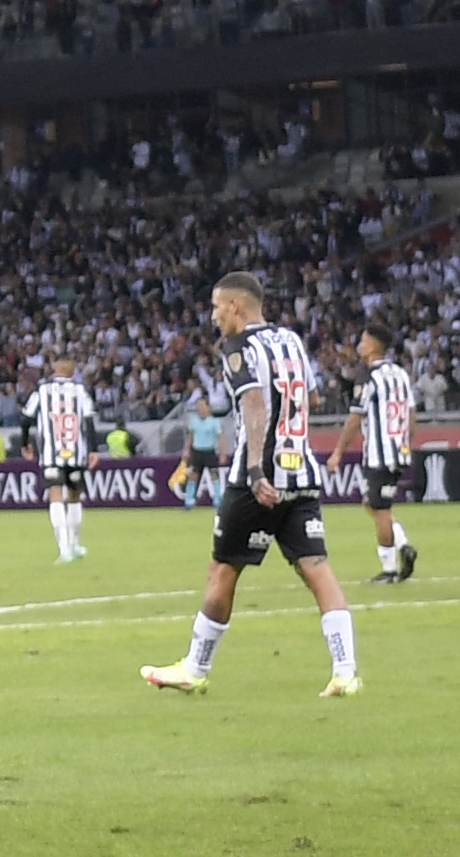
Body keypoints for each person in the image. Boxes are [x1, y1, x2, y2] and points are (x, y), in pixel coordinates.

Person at [141, 271, 362, 698]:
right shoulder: (293, 341)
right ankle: (345, 671)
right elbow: (312, 399)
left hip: (256, 477)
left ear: (235, 307)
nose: (213, 316)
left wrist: (258, 470)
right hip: (302, 472)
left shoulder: (238, 347)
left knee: (223, 569)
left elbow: (255, 405)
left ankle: (195, 668)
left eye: (215, 307)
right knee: (317, 568)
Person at [326, 322, 418, 583]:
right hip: (398, 452)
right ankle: (403, 545)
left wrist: (338, 453)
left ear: (375, 346)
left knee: (380, 509)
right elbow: (412, 415)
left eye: (364, 341)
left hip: (379, 454)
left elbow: (355, 418)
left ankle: (389, 569)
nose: (359, 346)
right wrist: (404, 443)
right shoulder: (400, 374)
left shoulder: (369, 377)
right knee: (373, 504)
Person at [19, 359, 100, 562]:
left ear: (54, 370)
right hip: (76, 453)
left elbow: (25, 418)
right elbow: (89, 422)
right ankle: (74, 545)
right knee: (74, 497)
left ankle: (64, 549)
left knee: (55, 496)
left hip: (51, 454)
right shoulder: (81, 391)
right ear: (73, 373)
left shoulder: (42, 390)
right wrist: (93, 450)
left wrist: (25, 443)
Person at [180, 396, 226, 511]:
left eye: (202, 406)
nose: (200, 408)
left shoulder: (215, 422)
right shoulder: (194, 421)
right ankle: (189, 501)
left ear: (208, 407)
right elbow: (190, 437)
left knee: (214, 476)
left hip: (209, 451)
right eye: (198, 406)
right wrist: (187, 450)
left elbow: (220, 438)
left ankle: (217, 500)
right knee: (193, 476)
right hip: (197, 451)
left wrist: (223, 453)